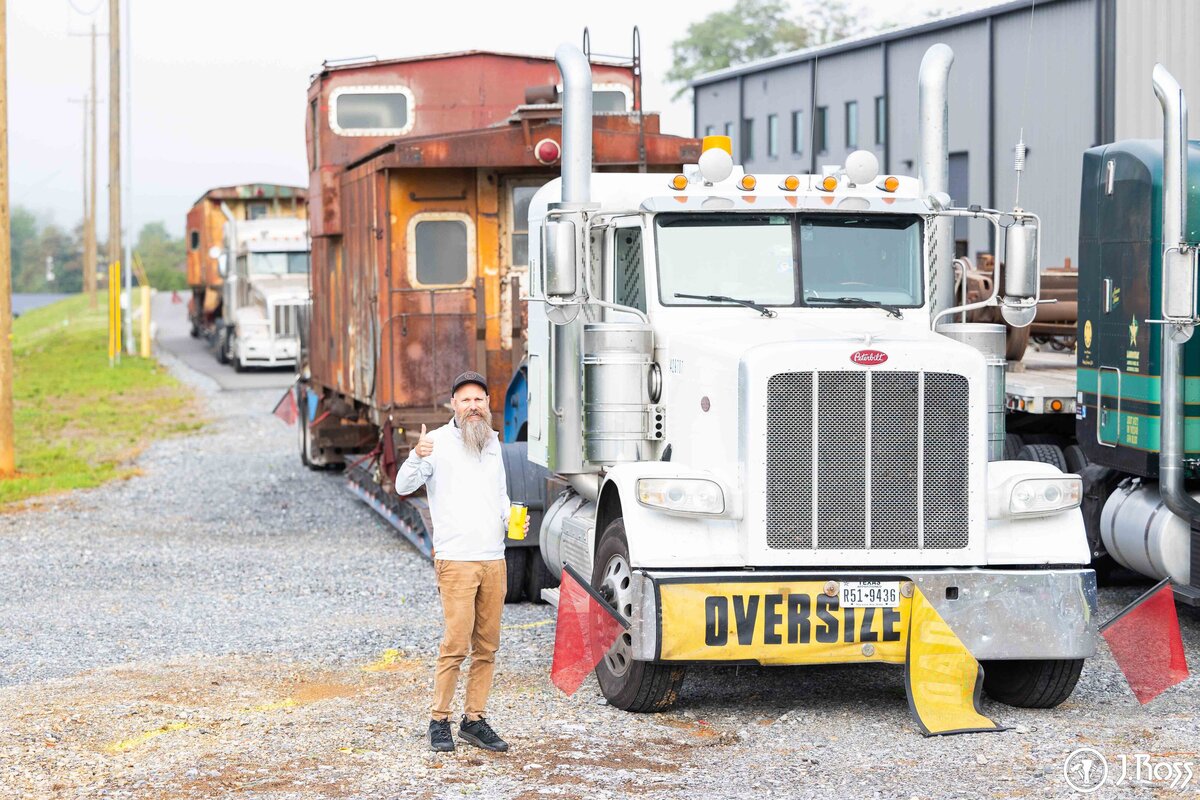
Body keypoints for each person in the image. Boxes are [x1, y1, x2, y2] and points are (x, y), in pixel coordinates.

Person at [394, 370, 526, 753]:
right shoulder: (435, 442)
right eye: (465, 399)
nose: (473, 406)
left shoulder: (492, 442)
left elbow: (499, 494)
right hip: (456, 561)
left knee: (487, 647)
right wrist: (416, 456)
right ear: (453, 404)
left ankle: (474, 720)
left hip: (493, 559)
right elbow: (403, 486)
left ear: (488, 404)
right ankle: (439, 721)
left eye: (478, 399)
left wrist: (509, 518)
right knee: (455, 644)